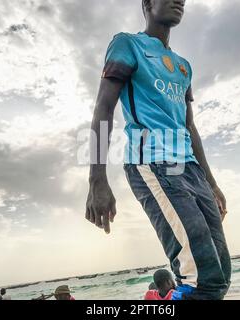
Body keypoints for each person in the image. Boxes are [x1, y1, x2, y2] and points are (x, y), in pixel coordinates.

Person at [86, 0, 231, 300]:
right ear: (148, 3)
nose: (179, 1)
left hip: (190, 169)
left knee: (220, 274)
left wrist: (212, 183)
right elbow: (103, 107)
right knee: (202, 277)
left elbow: (190, 127)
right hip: (152, 163)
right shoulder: (127, 45)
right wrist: (96, 179)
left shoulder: (183, 66)